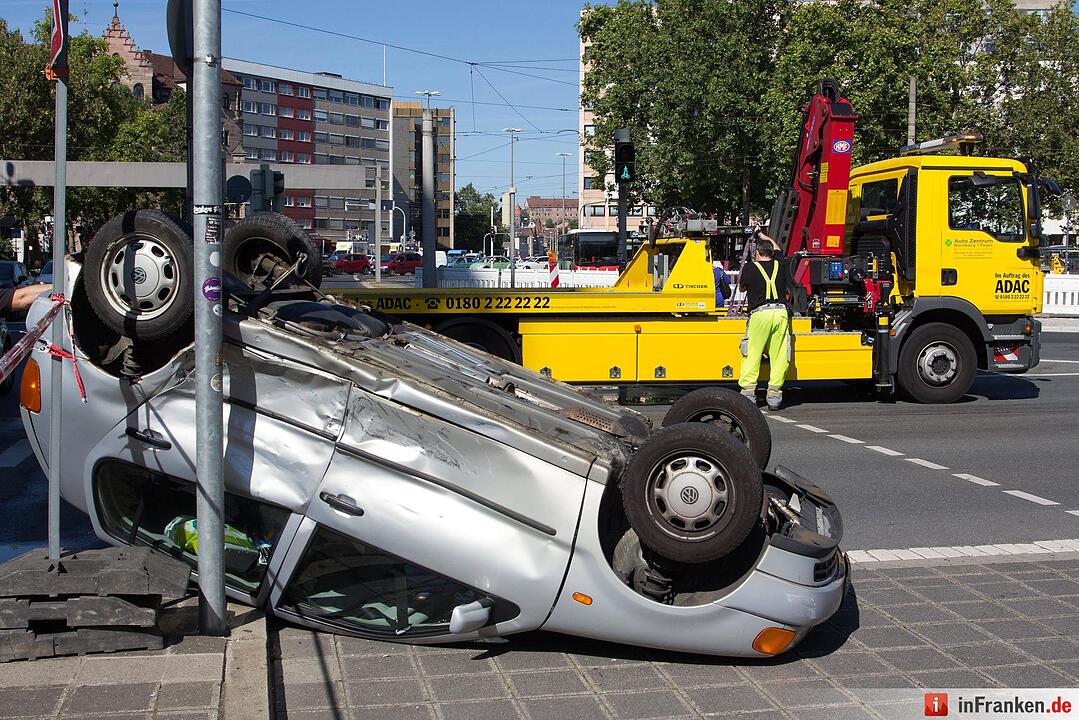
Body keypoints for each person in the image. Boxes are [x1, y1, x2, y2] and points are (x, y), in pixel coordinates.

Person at [737, 231, 791, 410]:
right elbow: (778, 249)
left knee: (752, 353)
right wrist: (763, 235)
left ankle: (748, 393)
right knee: (780, 355)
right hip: (780, 314)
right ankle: (774, 396)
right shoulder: (780, 265)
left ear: (757, 253)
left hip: (760, 314)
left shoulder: (751, 268)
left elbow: (743, 288)